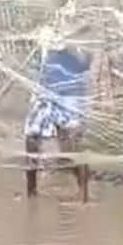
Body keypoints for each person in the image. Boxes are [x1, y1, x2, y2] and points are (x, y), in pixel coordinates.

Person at [24, 45, 92, 203]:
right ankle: (31, 192)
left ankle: (83, 196)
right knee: (31, 138)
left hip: (69, 95)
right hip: (46, 92)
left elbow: (86, 63)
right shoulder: (46, 45)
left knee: (72, 144)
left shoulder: (78, 46)